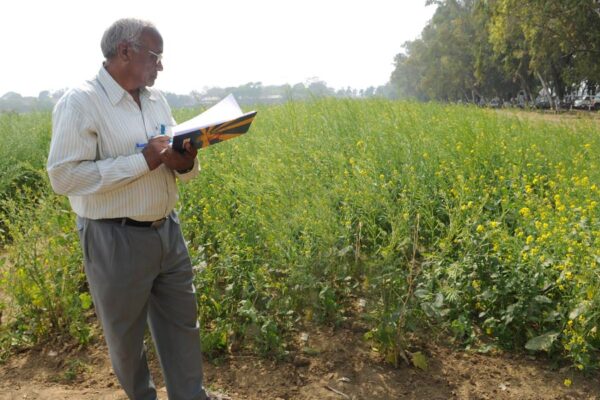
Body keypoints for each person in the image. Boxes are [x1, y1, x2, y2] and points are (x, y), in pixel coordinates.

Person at [47, 18, 216, 400]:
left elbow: (173, 160)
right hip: (114, 237)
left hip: (168, 232)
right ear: (125, 52)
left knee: (182, 325)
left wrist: (183, 162)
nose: (161, 66)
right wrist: (144, 160)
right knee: (125, 337)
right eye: (155, 56)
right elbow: (64, 177)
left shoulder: (157, 99)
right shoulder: (80, 102)